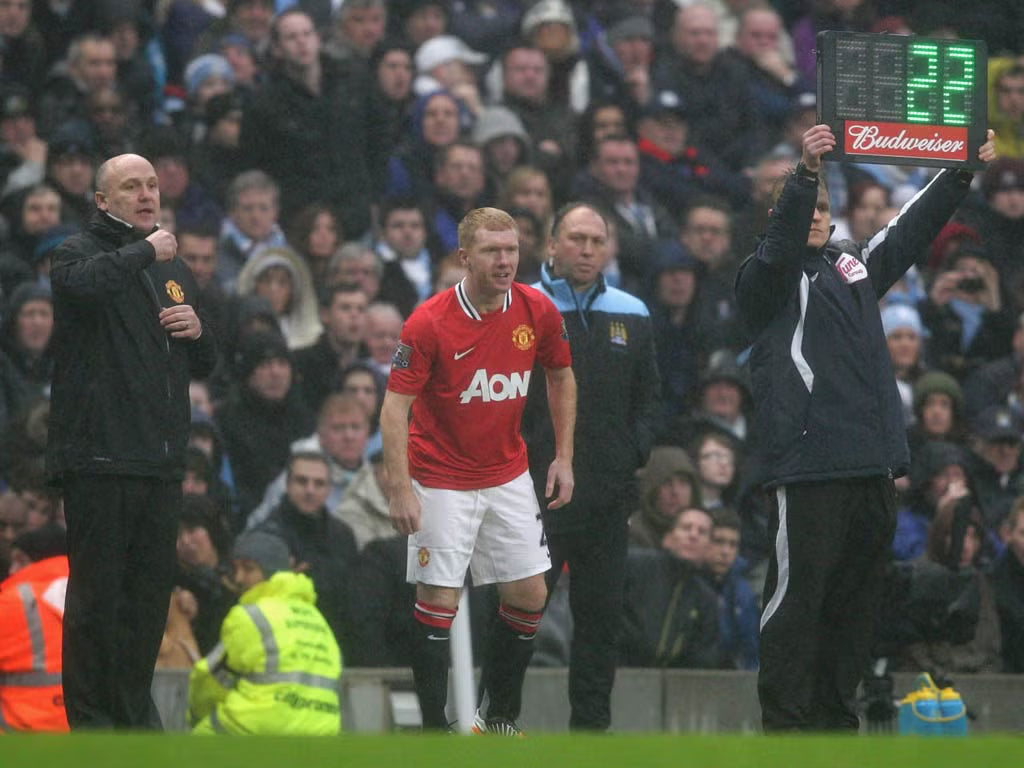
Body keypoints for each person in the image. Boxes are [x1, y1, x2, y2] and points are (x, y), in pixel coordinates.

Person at [734, 123, 997, 732]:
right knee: (796, 602)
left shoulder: (852, 267)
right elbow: (777, 248)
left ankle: (833, 723)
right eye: (804, 206)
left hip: (874, 467)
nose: (817, 216)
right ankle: (784, 727)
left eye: (825, 205)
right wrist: (803, 174)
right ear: (777, 217)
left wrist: (959, 171)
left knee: (855, 609)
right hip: (807, 470)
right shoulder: (763, 280)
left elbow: (908, 230)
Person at [381, 207, 576, 734]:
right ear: (465, 257)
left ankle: (499, 718)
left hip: (507, 473)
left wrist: (563, 457)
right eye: (492, 250)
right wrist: (400, 488)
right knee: (439, 599)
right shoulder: (428, 321)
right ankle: (434, 729)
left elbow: (561, 375)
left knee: (529, 594)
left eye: (512, 249)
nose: (505, 260)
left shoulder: (538, 309)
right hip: (440, 476)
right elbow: (395, 406)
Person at [45, 152, 218, 730]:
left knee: (146, 604)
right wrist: (147, 249)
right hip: (99, 456)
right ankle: (92, 722)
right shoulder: (79, 253)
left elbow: (207, 362)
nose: (147, 195)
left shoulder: (172, 268)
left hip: (160, 461)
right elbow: (83, 289)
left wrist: (198, 331)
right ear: (102, 201)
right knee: (97, 598)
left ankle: (132, 716)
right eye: (130, 187)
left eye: (151, 185)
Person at [523, 201, 659, 731]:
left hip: (607, 498)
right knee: (518, 611)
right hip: (534, 496)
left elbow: (651, 400)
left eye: (596, 241)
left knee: (601, 624)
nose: (586, 249)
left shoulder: (634, 312)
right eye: (575, 239)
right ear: (552, 246)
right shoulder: (522, 306)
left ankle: (591, 738)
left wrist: (633, 451)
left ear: (609, 249)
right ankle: (499, 718)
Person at [187, 529, 342, 734]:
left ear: (271, 574)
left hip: (259, 728)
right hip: (321, 735)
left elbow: (209, 681)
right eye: (236, 569)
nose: (239, 578)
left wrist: (196, 717)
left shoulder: (251, 616)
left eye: (248, 569)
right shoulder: (318, 619)